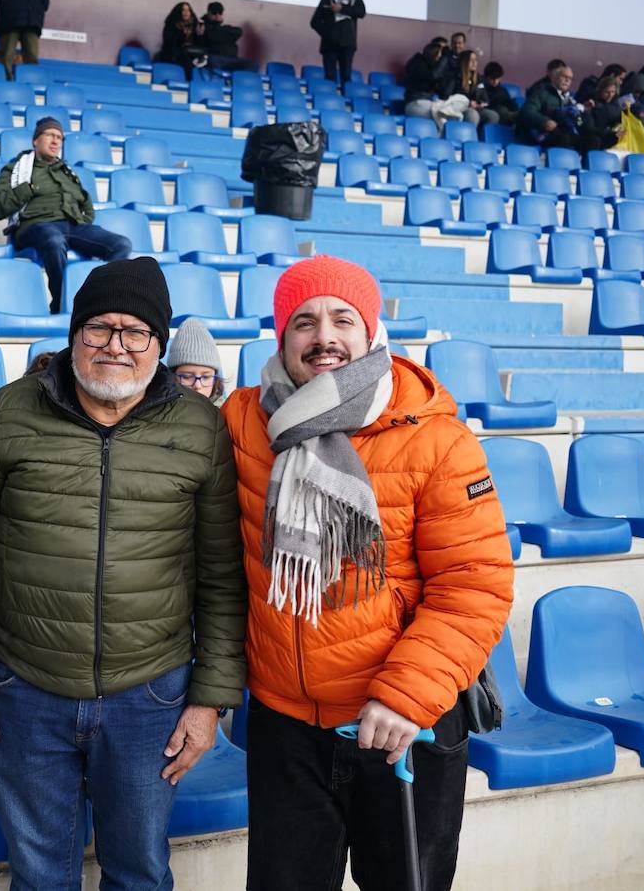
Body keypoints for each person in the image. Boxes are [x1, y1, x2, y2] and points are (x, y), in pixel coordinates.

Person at [0, 256, 248, 890]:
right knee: (40, 876)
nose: (116, 347)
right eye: (99, 328)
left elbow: (220, 575)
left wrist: (210, 698)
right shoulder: (8, 413)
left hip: (150, 694)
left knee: (139, 873)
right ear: (74, 334)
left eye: (136, 333)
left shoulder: (199, 427)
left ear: (159, 345)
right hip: (23, 690)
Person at [219, 255, 513, 891]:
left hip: (405, 723)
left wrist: (404, 697)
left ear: (371, 332)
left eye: (342, 318)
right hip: (286, 723)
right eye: (304, 321)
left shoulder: (438, 440)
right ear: (280, 338)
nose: (324, 337)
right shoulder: (242, 421)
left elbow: (475, 586)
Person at [0, 116, 132, 312]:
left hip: (73, 226)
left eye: (60, 137)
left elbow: (86, 204)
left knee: (121, 245)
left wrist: (83, 221)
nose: (55, 141)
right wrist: (26, 189)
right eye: (50, 135)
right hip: (35, 226)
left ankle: (100, 300)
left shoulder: (68, 173)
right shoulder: (17, 169)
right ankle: (62, 304)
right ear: (35, 140)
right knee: (54, 240)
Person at [517, 64, 603, 152]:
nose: (567, 80)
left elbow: (583, 124)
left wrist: (586, 111)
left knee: (594, 141)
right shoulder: (541, 93)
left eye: (570, 79)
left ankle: (581, 164)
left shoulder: (571, 99)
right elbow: (527, 112)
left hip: (566, 133)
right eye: (564, 77)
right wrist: (544, 121)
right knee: (564, 138)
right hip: (544, 133)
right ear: (554, 78)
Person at [309, 0, 365, 88]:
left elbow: (361, 12)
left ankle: (345, 102)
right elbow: (314, 22)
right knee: (329, 77)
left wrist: (342, 9)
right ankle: (328, 103)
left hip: (347, 43)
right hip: (329, 44)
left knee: (346, 76)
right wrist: (327, 33)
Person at [168, 317, 226, 405]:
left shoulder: (226, 413)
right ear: (172, 377)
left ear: (216, 379)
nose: (197, 386)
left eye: (206, 377)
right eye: (186, 377)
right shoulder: (160, 413)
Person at [200, 1, 256, 74]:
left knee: (253, 64)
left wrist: (222, 31)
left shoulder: (225, 28)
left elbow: (239, 31)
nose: (217, 15)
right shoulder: (203, 26)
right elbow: (214, 36)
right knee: (212, 60)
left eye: (220, 13)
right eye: (214, 13)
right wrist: (225, 33)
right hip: (216, 59)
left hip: (232, 59)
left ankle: (239, 83)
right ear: (208, 14)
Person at [155, 1, 199, 81]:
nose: (186, 12)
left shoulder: (195, 26)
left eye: (188, 10)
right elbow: (169, 44)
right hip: (173, 55)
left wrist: (201, 34)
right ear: (178, 12)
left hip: (192, 55)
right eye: (183, 10)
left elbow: (199, 44)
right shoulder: (170, 25)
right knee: (186, 60)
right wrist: (182, 35)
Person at [452, 49, 497, 125]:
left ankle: (481, 135)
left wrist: (481, 104)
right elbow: (449, 95)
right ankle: (470, 135)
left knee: (493, 116)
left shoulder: (479, 78)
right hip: (460, 108)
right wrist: (469, 103)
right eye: (471, 60)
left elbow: (485, 98)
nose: (474, 63)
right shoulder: (455, 76)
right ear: (464, 62)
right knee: (473, 115)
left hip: (476, 108)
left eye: (475, 60)